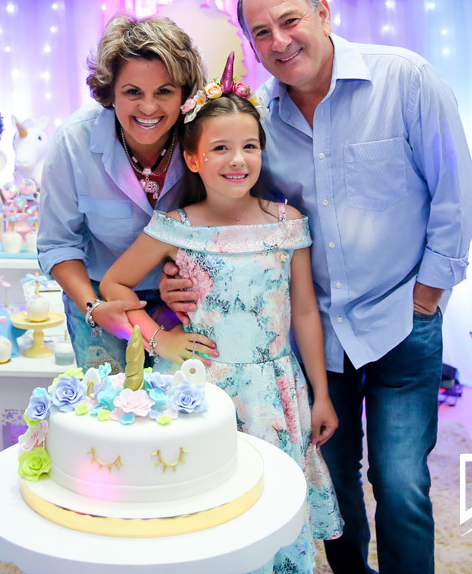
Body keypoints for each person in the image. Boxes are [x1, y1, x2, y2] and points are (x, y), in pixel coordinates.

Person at [162, 0, 472, 574]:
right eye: (262, 32)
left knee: (401, 483)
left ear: (324, 13)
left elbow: (456, 196)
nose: (279, 41)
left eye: (290, 21)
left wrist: (427, 296)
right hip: (316, 333)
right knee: (329, 480)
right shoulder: (257, 116)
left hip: (402, 319)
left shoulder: (405, 80)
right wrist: (183, 271)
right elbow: (234, 206)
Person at [100, 55, 342, 574]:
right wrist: (159, 338)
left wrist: (321, 393)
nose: (238, 159)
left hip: (273, 390)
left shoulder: (287, 223)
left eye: (250, 146)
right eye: (221, 148)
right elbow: (113, 284)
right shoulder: (175, 226)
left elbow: (304, 310)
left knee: (269, 508)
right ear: (193, 158)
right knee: (204, 509)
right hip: (197, 388)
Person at [38, 13, 216, 373]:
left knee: (183, 400)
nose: (148, 108)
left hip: (181, 300)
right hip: (97, 296)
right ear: (109, 93)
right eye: (133, 92)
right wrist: (94, 308)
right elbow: (58, 244)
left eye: (164, 91)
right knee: (108, 400)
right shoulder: (74, 141)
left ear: (184, 93)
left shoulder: (205, 135)